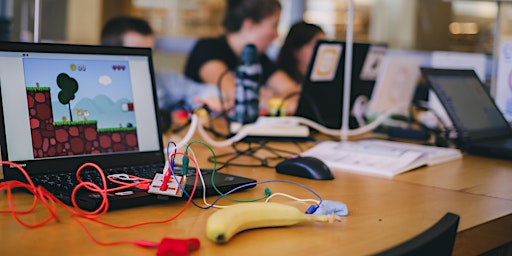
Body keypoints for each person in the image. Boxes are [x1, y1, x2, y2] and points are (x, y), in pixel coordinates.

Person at [100, 16, 222, 128]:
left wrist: (210, 98)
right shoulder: (101, 91)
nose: (146, 62)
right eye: (138, 55)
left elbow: (200, 91)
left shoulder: (162, 80)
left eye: (150, 54)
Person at [184, 0, 300, 115]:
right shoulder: (207, 49)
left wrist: (268, 100)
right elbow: (237, 96)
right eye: (274, 25)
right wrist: (275, 100)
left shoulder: (260, 58)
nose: (277, 34)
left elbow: (294, 93)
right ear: (249, 24)